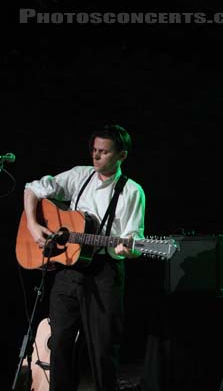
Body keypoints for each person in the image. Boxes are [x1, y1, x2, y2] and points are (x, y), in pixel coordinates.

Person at [23, 124, 146, 391]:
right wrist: (33, 225)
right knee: (60, 345)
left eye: (104, 151)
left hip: (105, 273)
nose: (96, 156)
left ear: (121, 156)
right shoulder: (80, 176)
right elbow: (32, 188)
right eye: (94, 150)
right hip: (68, 271)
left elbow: (132, 240)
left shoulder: (132, 191)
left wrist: (129, 249)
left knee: (102, 348)